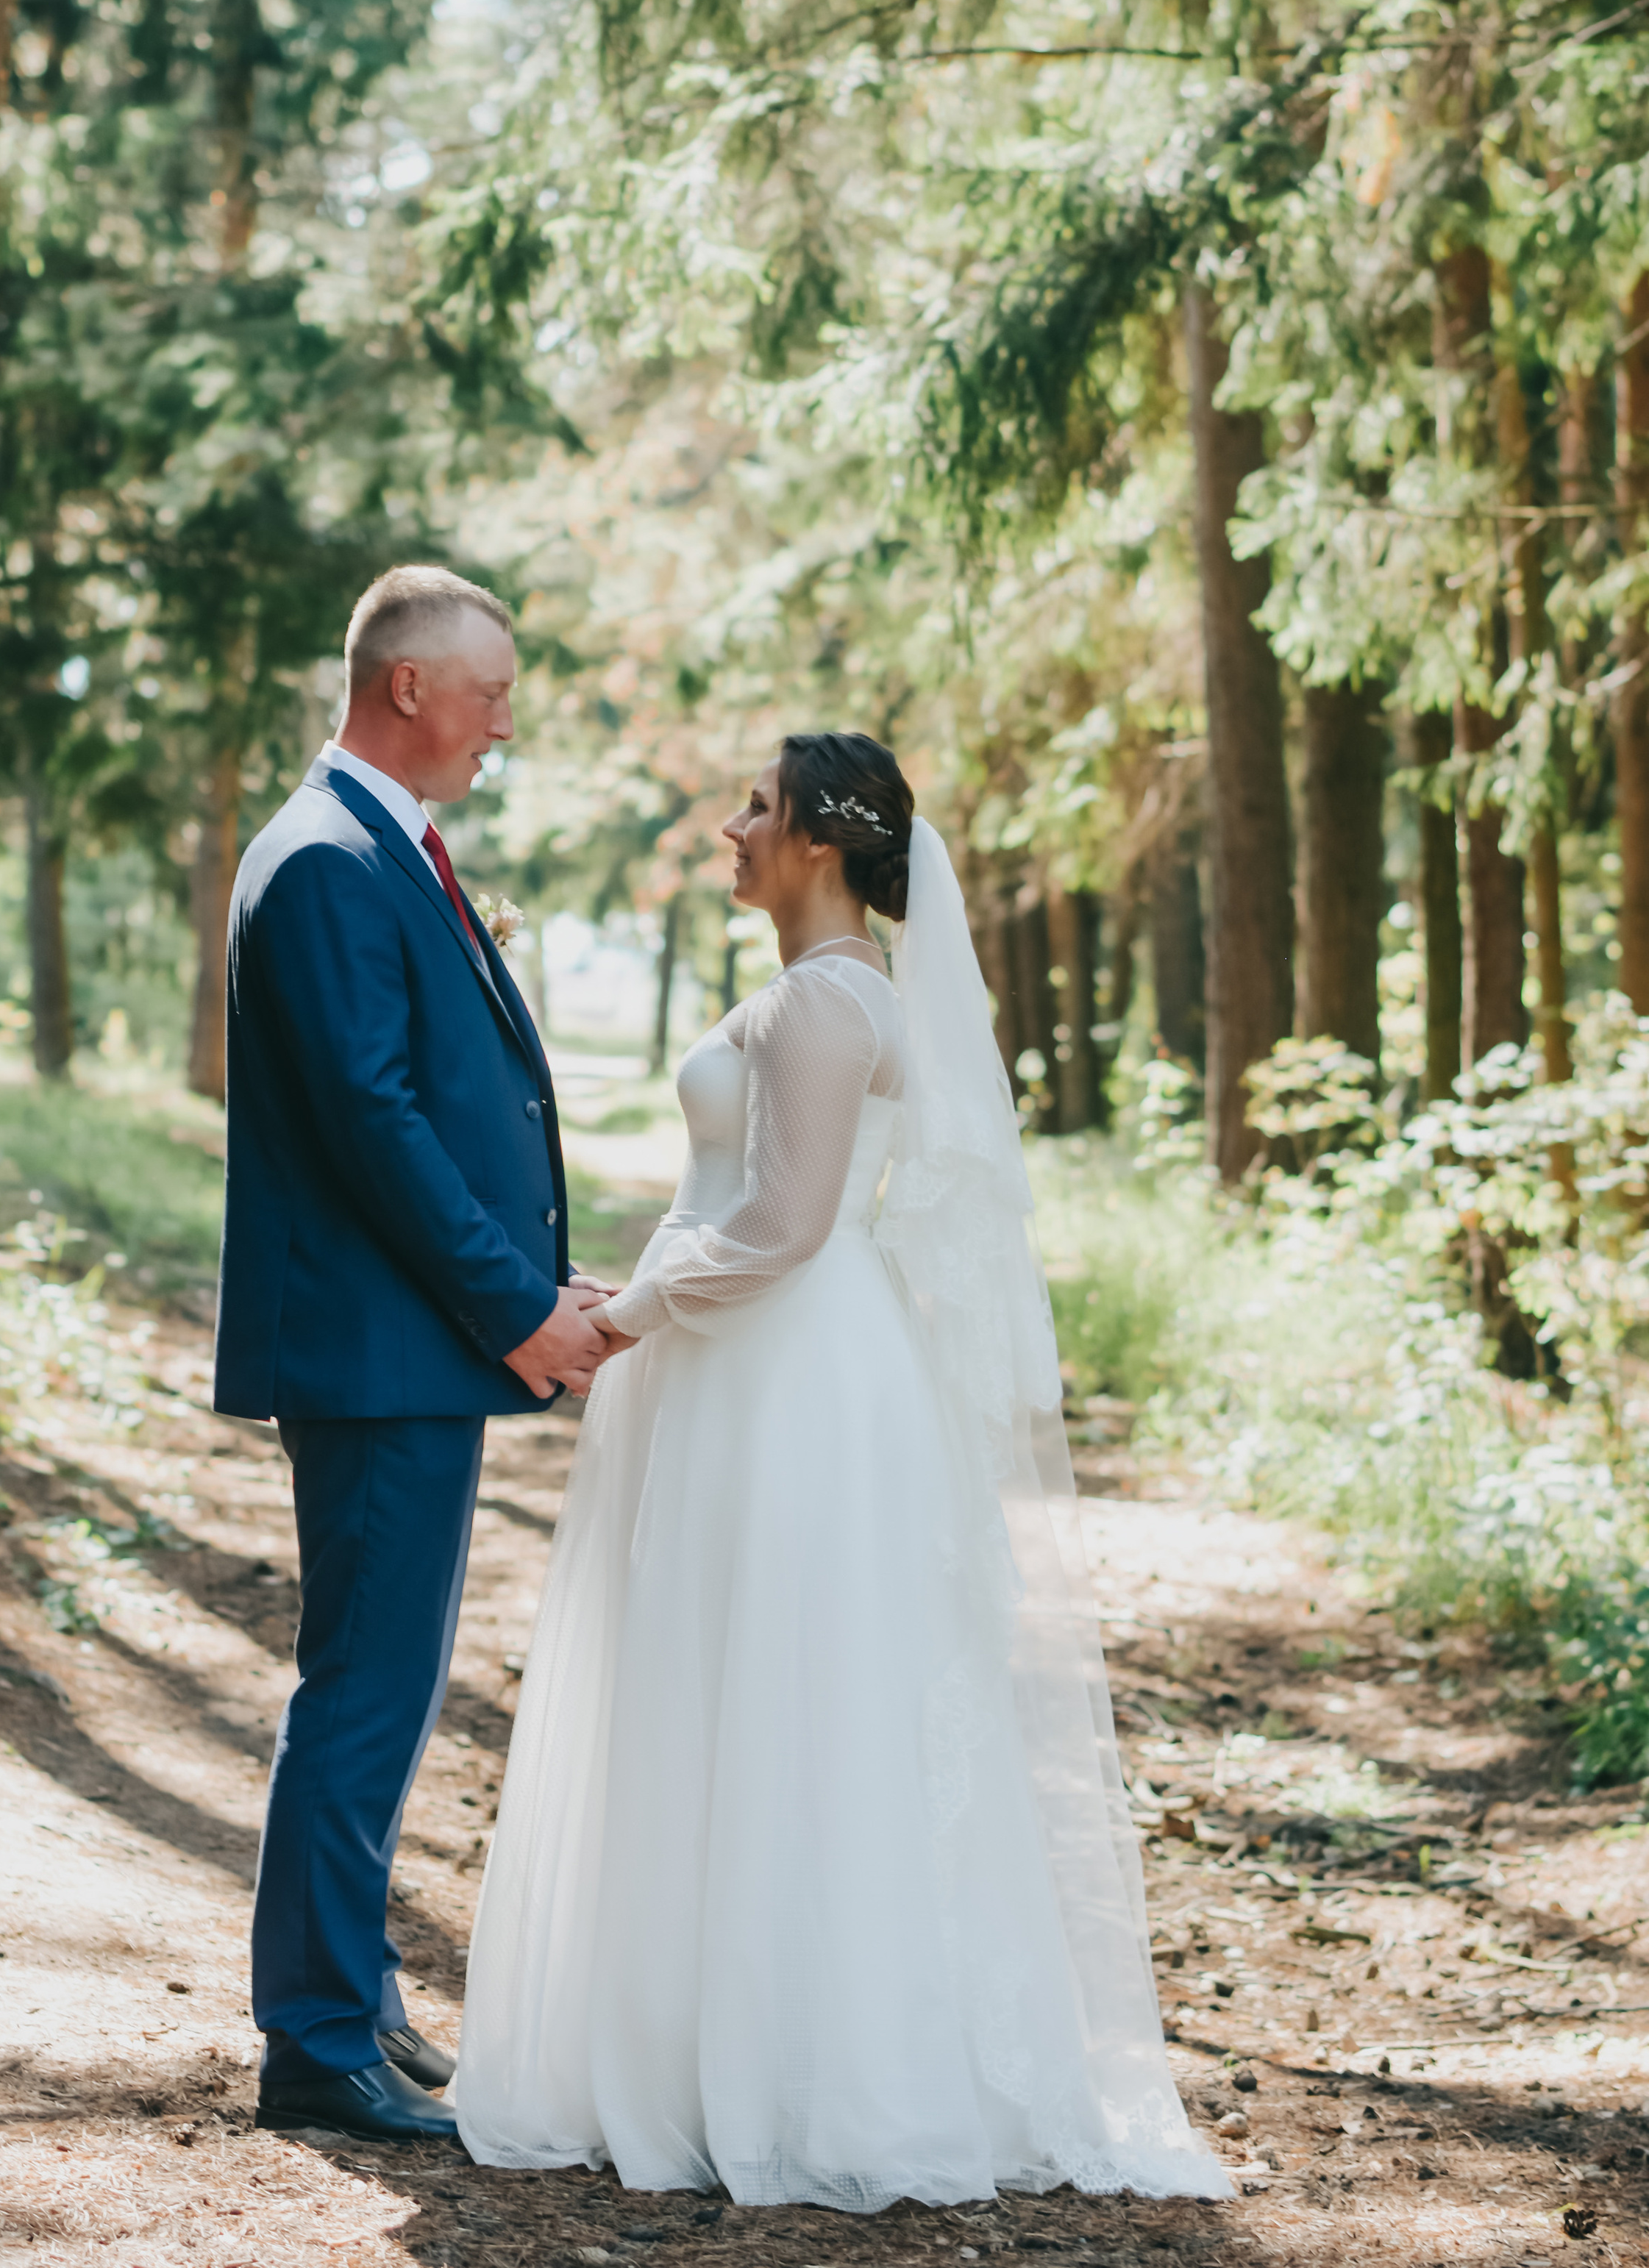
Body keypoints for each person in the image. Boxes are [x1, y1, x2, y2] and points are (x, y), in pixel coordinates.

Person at [455, 732, 1230, 2211]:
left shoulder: (824, 1000)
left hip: (784, 1374)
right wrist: (647, 1289)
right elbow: (743, 1207)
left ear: (817, 839)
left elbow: (783, 1227)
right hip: (759, 1355)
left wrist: (616, 1318)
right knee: (753, 1689)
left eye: (755, 806)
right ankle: (716, 2045)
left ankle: (788, 2067)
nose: (729, 827)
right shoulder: (831, 990)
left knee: (774, 1693)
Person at [213, 565, 617, 2146]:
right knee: (364, 1695)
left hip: (403, 1351)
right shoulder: (322, 860)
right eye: (492, 690)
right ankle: (313, 2037)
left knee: (384, 1684)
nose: (504, 722)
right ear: (407, 692)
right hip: (375, 1357)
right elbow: (372, 1127)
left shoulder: (377, 847)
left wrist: (536, 1272)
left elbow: (436, 1102)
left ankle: (357, 1994)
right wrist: (516, 1312)